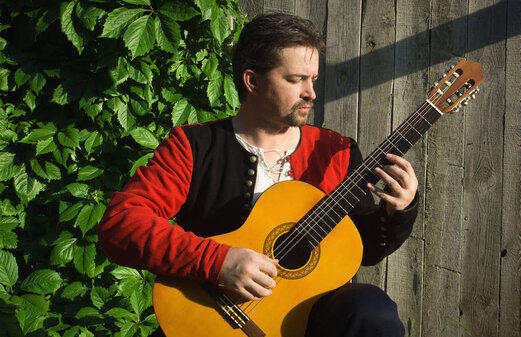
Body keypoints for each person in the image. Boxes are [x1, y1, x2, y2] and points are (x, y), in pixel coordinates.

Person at [98, 13, 419, 337]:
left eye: (313, 80)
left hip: (311, 319)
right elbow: (122, 223)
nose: (311, 93)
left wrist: (398, 211)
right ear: (252, 81)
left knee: (373, 311)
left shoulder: (337, 151)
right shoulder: (194, 147)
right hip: (213, 316)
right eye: (296, 80)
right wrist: (217, 261)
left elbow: (365, 247)